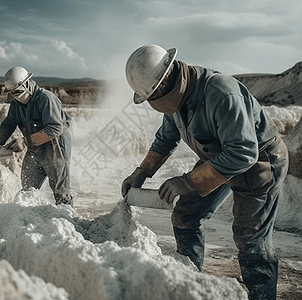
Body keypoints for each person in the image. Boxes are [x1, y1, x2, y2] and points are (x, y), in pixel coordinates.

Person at [122, 45, 288, 300]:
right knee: (186, 216)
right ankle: (191, 286)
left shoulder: (220, 93)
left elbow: (243, 152)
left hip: (259, 160)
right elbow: (165, 139)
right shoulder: (175, 101)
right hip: (219, 157)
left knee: (250, 238)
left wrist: (187, 181)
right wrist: (142, 171)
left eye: (154, 95)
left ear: (168, 80)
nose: (155, 102)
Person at [0, 66, 73, 206]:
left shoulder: (46, 98)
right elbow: (9, 123)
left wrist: (25, 141)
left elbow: (55, 127)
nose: (15, 96)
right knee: (28, 188)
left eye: (18, 92)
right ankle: (29, 216)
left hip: (55, 145)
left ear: (27, 84)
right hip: (35, 145)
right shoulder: (16, 105)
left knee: (61, 191)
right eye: (12, 93)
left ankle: (67, 220)